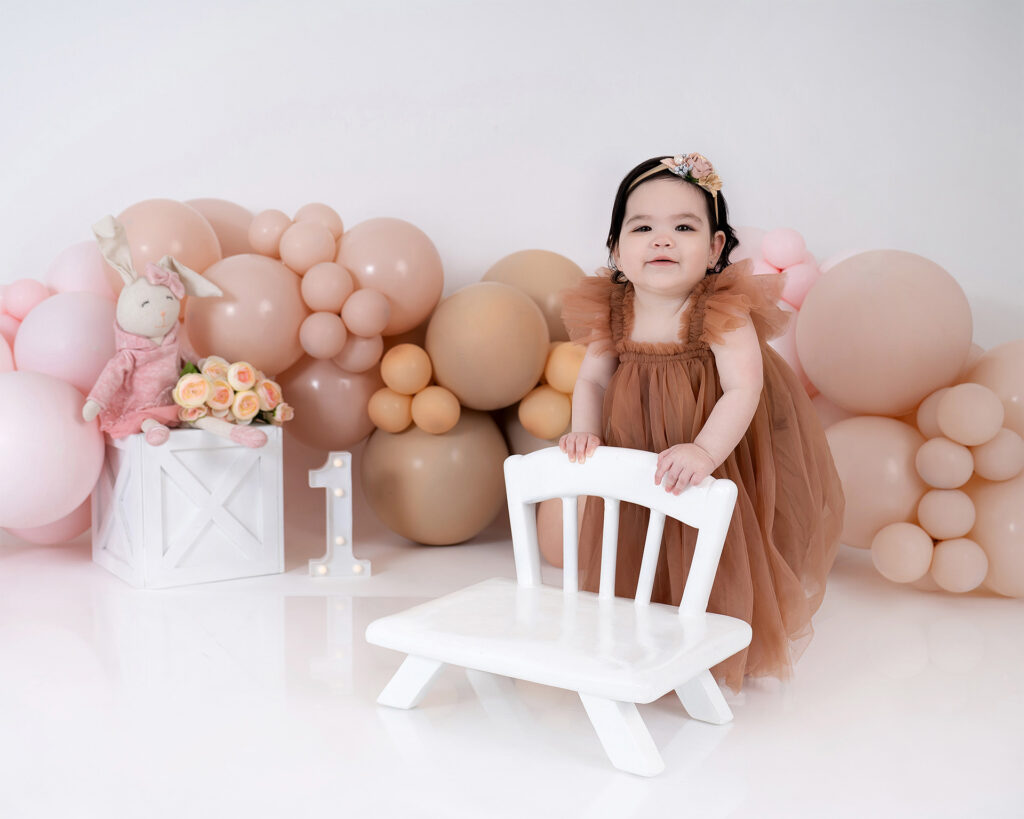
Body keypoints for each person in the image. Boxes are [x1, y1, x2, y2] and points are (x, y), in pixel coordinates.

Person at [559, 154, 845, 691]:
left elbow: (743, 388)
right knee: (637, 532)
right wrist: (586, 430)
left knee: (710, 534)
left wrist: (706, 452)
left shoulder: (718, 309)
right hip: (636, 442)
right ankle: (639, 636)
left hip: (711, 438)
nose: (662, 240)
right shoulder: (613, 308)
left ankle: (714, 644)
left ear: (714, 249)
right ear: (617, 249)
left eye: (684, 228)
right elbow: (593, 379)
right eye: (642, 228)